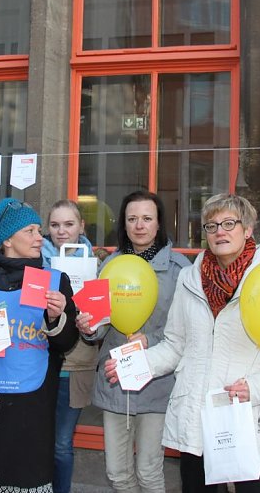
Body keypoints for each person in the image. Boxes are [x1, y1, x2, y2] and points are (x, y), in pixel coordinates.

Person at [107, 194, 260, 493]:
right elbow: (175, 345)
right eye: (211, 225)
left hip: (247, 418)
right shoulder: (190, 279)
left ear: (248, 229)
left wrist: (255, 387)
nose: (220, 232)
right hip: (197, 419)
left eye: (229, 223)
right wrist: (135, 365)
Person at [0, 197, 80, 492]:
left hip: (31, 404)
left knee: (26, 479)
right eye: (29, 231)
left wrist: (56, 318)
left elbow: (66, 342)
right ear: (7, 239)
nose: (39, 237)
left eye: (38, 230)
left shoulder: (55, 281)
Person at [77, 190, 190, 493]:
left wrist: (149, 340)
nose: (139, 225)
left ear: (159, 223)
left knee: (149, 472)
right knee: (117, 474)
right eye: (132, 219)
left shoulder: (180, 270)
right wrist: (89, 328)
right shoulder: (109, 266)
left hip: (158, 382)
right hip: (116, 380)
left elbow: (187, 329)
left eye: (147, 218)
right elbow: (99, 325)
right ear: (124, 224)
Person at [41, 200, 101, 493]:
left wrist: (89, 325)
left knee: (62, 444)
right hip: (39, 363)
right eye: (55, 225)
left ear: (81, 227)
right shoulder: (35, 263)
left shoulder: (96, 266)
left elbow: (99, 325)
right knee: (37, 441)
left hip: (75, 367)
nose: (61, 231)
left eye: (68, 224)